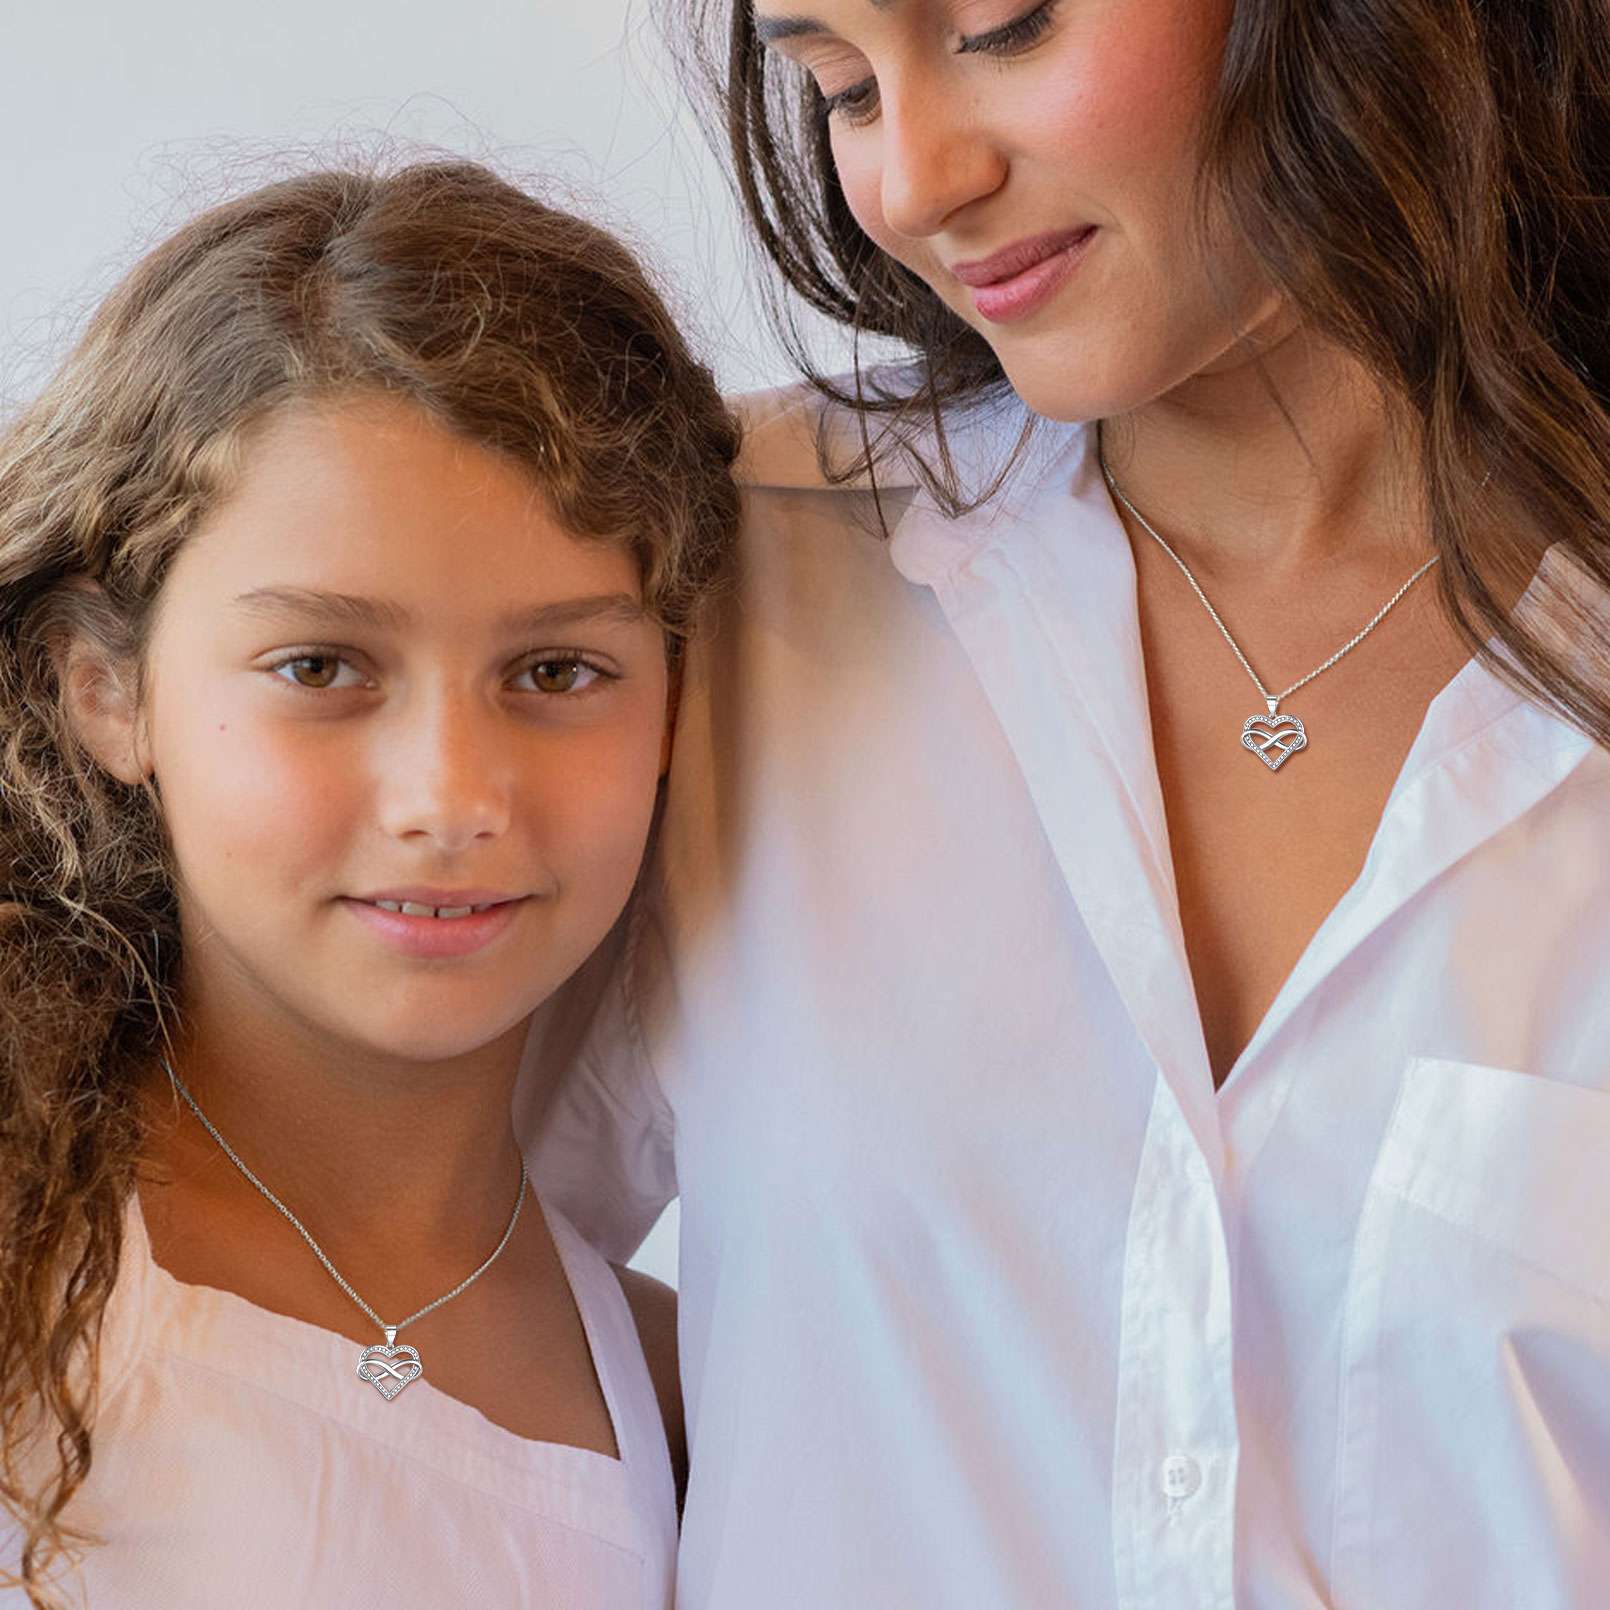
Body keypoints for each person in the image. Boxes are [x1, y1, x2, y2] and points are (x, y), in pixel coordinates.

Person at [528, 1, 1610, 1605]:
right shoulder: (710, 588)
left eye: (1003, 27)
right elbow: (350, 1257)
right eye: (835, 84)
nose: (908, 182)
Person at [0, 160, 739, 1610]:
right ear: (107, 692)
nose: (451, 798)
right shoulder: (33, 1281)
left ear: (676, 708)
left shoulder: (685, 1403)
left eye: (555, 671)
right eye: (321, 666)